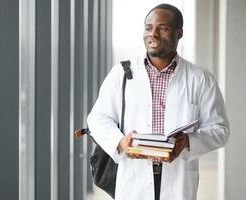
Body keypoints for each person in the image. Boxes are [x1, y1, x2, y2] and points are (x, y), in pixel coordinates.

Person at [87, 3, 229, 200]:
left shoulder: (200, 78)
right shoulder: (120, 73)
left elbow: (220, 129)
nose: (152, 33)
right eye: (148, 27)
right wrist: (121, 142)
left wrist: (187, 142)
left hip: (178, 180)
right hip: (133, 178)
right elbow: (97, 118)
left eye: (162, 28)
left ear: (179, 33)